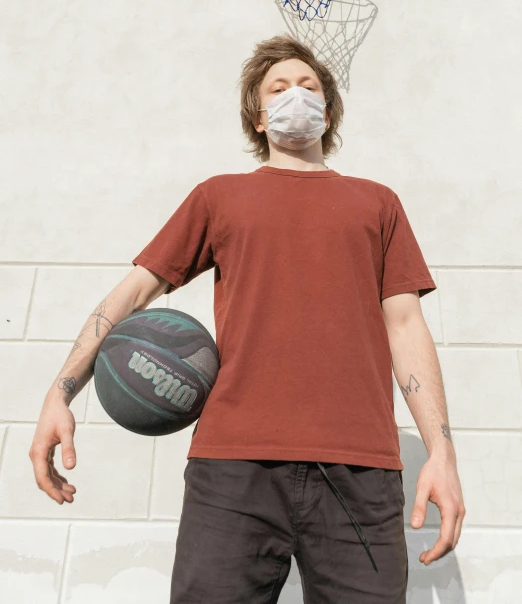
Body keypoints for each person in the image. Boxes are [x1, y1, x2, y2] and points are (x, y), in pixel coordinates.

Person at [29, 34, 466, 603]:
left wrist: (442, 453)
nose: (295, 96)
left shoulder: (376, 203)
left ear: (327, 109)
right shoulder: (219, 197)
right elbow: (136, 291)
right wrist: (60, 393)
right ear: (258, 118)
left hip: (360, 471)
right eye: (278, 88)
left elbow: (405, 327)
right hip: (233, 469)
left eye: (308, 86)